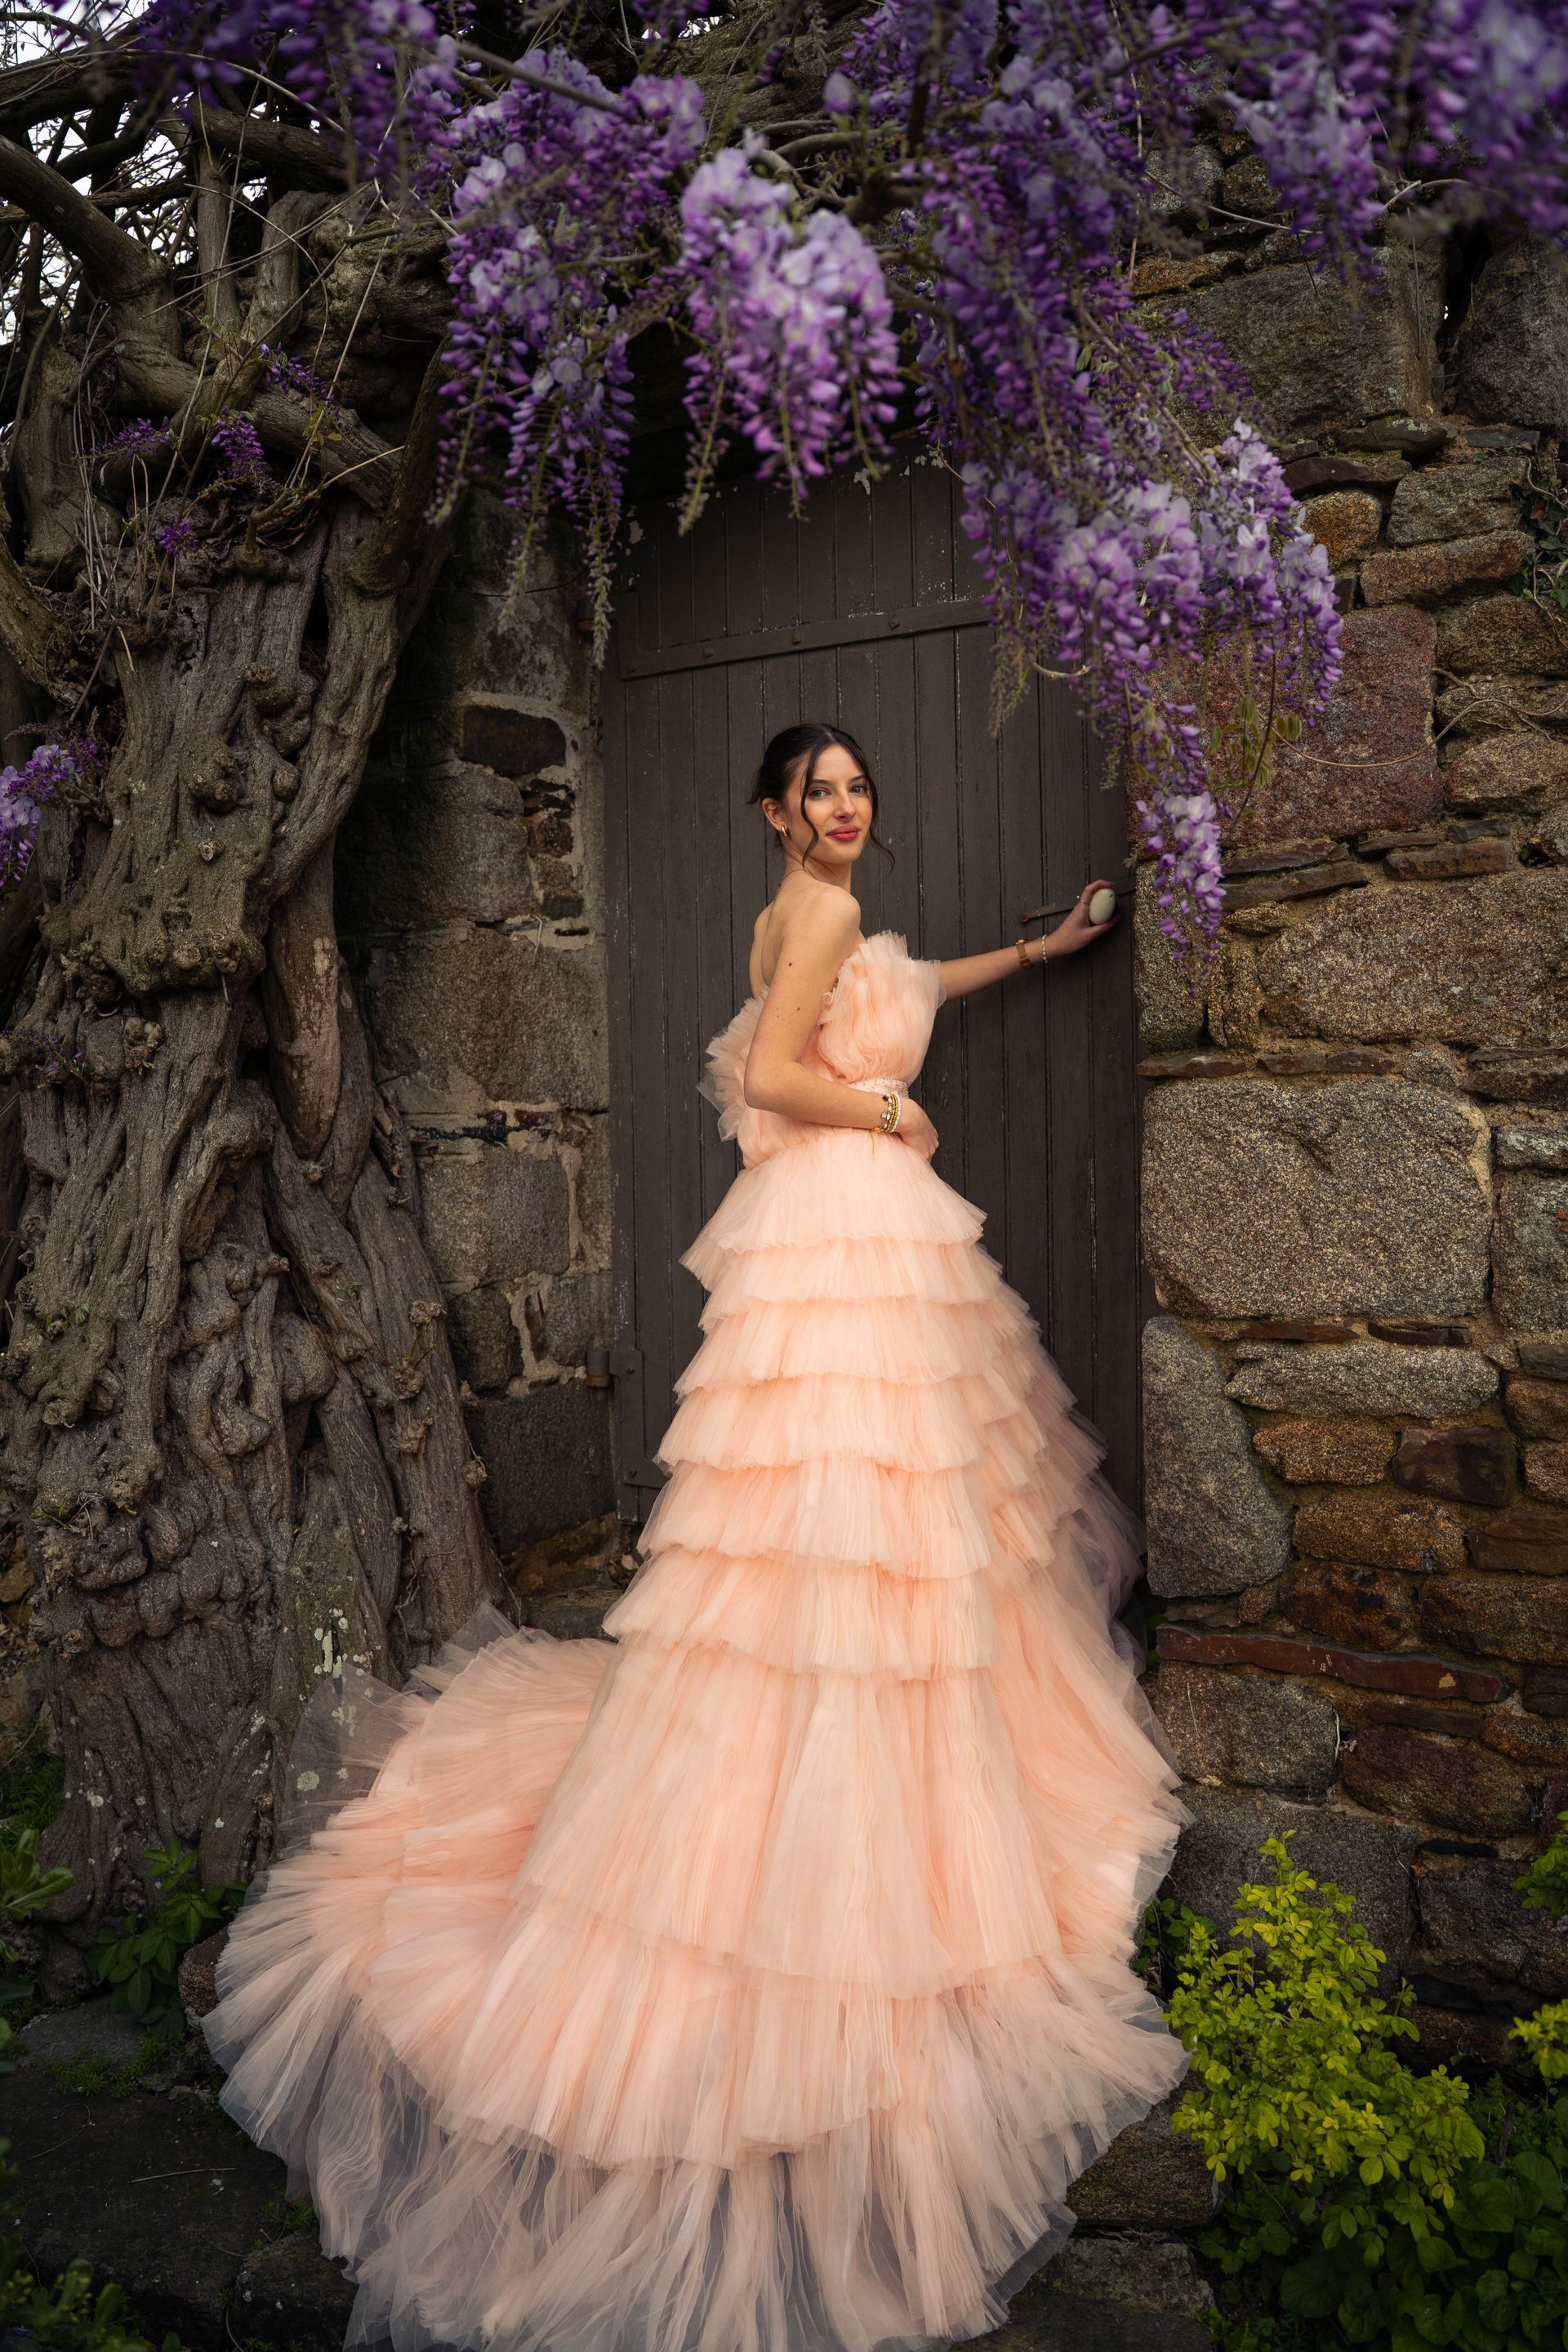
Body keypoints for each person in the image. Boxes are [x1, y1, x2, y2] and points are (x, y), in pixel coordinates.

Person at [203, 719, 1190, 2352]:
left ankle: (857, 1714)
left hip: (840, 1224)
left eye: (861, 784)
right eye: (822, 791)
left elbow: (894, 987)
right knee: (856, 1504)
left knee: (863, 1512)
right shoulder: (804, 914)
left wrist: (1039, 945)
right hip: (847, 1213)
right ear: (776, 813)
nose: (848, 805)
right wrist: (884, 1124)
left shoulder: (826, 917)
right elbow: (783, 1072)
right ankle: (849, 1769)